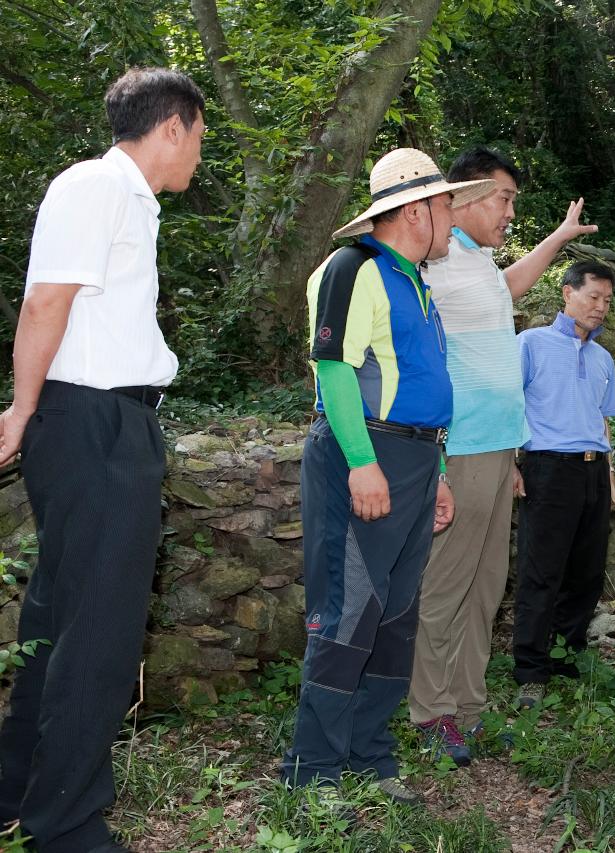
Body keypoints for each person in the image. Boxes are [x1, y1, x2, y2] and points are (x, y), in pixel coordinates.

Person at [0, 68, 204, 853]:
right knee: (100, 634)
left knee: (60, 619)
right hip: (91, 422)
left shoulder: (128, 202)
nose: (197, 157)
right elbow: (45, 300)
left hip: (106, 423)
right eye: (199, 138)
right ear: (174, 126)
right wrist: (24, 407)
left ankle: (19, 790)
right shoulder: (97, 185)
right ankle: (69, 825)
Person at [279, 148, 495, 805]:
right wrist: (363, 462)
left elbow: (423, 390)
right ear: (415, 209)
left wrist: (438, 473)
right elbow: (335, 369)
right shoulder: (350, 269)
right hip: (362, 454)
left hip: (413, 463)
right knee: (347, 615)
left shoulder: (413, 280)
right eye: (446, 204)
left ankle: (370, 757)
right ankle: (314, 771)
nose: (452, 215)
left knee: (394, 618)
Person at [407, 147, 597, 765]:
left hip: (495, 448)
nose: (511, 211)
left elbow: (509, 289)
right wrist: (433, 459)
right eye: (505, 199)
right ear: (463, 197)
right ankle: (431, 713)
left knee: (487, 588)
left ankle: (469, 707)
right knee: (445, 585)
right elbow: (416, 360)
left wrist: (558, 240)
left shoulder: (478, 263)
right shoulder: (431, 264)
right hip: (455, 448)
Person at [511, 261, 615, 710]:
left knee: (587, 572)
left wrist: (611, 480)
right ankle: (531, 671)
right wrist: (511, 465)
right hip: (547, 467)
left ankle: (567, 657)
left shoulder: (603, 358)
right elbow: (508, 405)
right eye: (593, 297)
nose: (600, 307)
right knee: (542, 573)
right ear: (567, 293)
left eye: (607, 301)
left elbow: (603, 422)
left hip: (593, 471)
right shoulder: (531, 344)